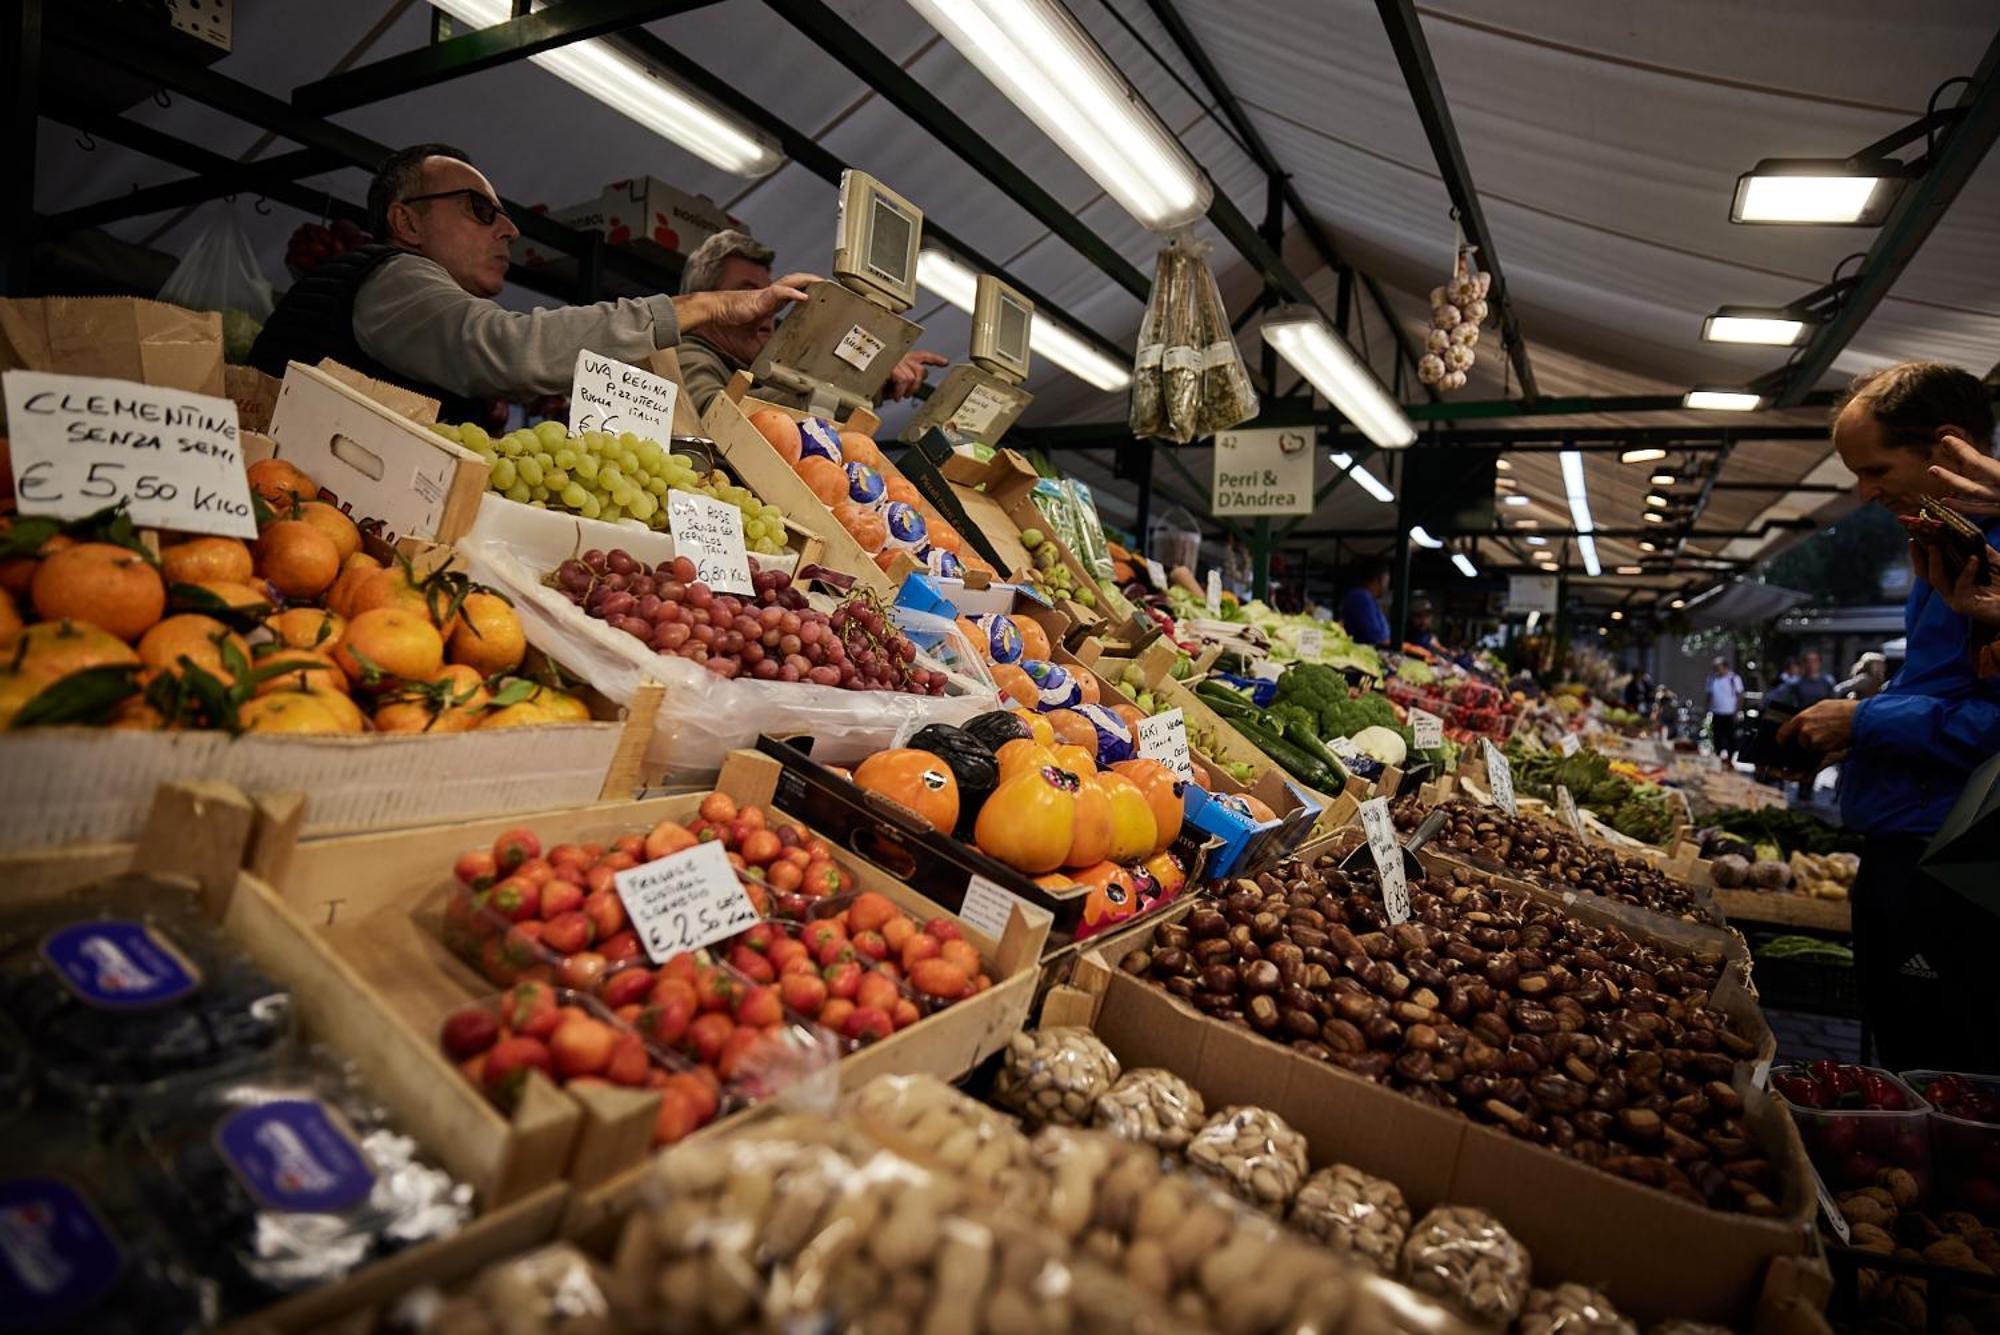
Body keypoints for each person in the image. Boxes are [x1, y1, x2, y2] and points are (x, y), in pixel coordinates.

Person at [249, 145, 818, 424]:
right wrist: (704, 306)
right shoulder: (392, 276)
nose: (509, 229)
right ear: (407, 222)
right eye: (480, 209)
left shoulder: (409, 299)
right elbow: (516, 350)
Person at [1777, 360, 2000, 1071]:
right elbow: (1952, 689)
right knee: (1902, 1053)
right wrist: (1862, 722)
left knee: (1941, 1066)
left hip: (1957, 861)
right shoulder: (1947, 544)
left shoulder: (1991, 554)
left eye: (1876, 469)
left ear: (1950, 447)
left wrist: (1866, 722)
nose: (1865, 493)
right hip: (1909, 839)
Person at [676, 229, 948, 417]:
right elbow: (723, 421)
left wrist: (874, 378)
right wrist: (855, 375)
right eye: (749, 295)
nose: (766, 307)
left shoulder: (748, 371)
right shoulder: (685, 354)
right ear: (711, 305)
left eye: (767, 294)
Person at [1339, 557, 1392, 648]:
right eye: (1387, 580)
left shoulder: (1367, 598)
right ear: (1380, 579)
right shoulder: (1360, 598)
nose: (1387, 586)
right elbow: (1374, 637)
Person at [1769, 649, 1838, 710]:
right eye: (1808, 661)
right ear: (1804, 664)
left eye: (1814, 661)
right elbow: (1775, 695)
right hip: (1803, 717)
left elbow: (1834, 701)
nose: (1811, 665)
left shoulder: (1827, 681)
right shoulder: (1795, 682)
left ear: (1820, 663)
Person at [1704, 656, 1744, 760]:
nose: (1716, 670)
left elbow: (1740, 696)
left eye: (1718, 667)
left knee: (1730, 737)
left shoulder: (1734, 678)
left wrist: (1737, 711)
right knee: (1717, 737)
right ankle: (1717, 757)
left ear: (1725, 667)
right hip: (1716, 712)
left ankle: (1730, 759)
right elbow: (1709, 695)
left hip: (1729, 713)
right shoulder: (1712, 679)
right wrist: (1706, 709)